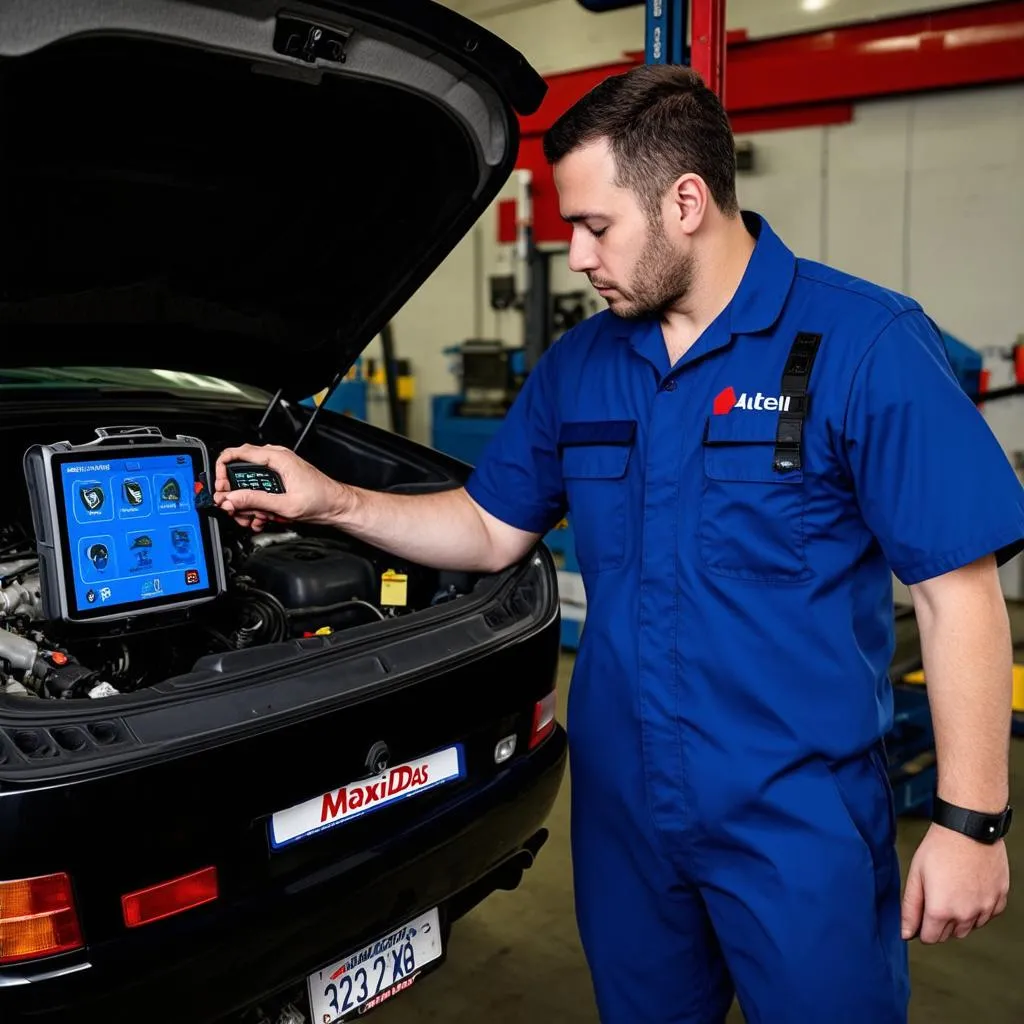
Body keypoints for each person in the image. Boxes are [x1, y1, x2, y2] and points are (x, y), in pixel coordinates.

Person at [214, 64, 1024, 1023]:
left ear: (686, 200)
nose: (578, 253)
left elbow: (955, 590)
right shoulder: (583, 366)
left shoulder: (862, 344)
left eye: (596, 226)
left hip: (795, 817)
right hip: (625, 818)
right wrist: (331, 500)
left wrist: (971, 824)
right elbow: (484, 528)